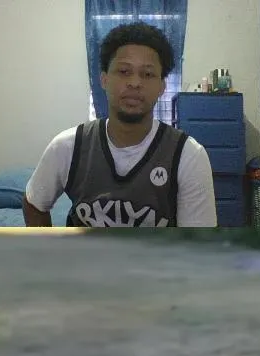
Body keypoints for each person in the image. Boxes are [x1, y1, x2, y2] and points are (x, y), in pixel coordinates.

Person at [23, 22, 216, 228]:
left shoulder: (188, 156)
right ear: (104, 79)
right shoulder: (68, 146)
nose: (135, 83)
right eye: (124, 71)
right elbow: (34, 203)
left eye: (147, 74)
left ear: (162, 87)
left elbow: (198, 242)